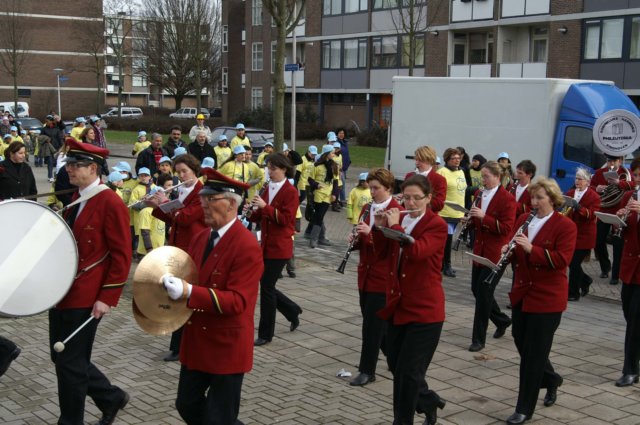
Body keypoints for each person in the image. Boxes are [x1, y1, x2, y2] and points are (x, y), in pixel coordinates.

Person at [161, 168, 263, 425]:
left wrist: (189, 292)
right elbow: (191, 277)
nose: (203, 203)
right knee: (186, 404)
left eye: (210, 198)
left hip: (226, 345)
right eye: (203, 197)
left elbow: (238, 301)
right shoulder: (201, 236)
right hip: (197, 341)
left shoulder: (246, 245)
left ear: (231, 203)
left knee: (219, 417)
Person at [52, 139, 132, 425]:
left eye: (76, 165)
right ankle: (110, 397)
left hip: (87, 296)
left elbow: (122, 256)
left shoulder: (109, 201)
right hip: (62, 292)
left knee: (70, 364)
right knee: (62, 358)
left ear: (93, 168)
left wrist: (107, 298)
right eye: (69, 164)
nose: (70, 169)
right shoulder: (77, 198)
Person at [373, 174, 448, 425]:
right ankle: (427, 401)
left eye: (417, 198)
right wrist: (379, 226)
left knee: (409, 373)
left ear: (428, 198)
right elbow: (382, 253)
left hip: (425, 310)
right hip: (398, 306)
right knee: (397, 367)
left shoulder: (436, 225)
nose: (411, 203)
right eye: (406, 197)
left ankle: (401, 421)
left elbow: (418, 252)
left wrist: (394, 228)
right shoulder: (401, 219)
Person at [505, 177, 576, 425]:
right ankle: (552, 379)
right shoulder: (524, 220)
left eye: (540, 198)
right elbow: (517, 255)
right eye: (532, 198)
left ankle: (524, 408)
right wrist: (509, 250)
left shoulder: (565, 225)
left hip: (547, 299)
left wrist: (529, 249)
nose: (534, 203)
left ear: (553, 199)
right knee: (523, 344)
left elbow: (561, 260)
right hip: (523, 293)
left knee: (533, 356)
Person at [146, 154, 207, 361]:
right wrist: (155, 206)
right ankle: (178, 345)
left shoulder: (201, 192)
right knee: (177, 296)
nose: (181, 176)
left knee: (183, 297)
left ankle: (181, 347)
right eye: (178, 172)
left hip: (192, 248)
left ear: (194, 170)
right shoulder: (182, 190)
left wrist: (165, 201)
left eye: (184, 172)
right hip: (178, 247)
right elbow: (175, 219)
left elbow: (187, 218)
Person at [349, 168, 402, 387]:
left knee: (371, 326)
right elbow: (364, 239)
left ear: (388, 188)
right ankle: (395, 359)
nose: (371, 192)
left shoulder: (395, 210)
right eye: (370, 187)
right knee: (378, 323)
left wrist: (368, 236)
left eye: (376, 188)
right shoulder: (367, 207)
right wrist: (355, 239)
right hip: (365, 272)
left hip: (383, 275)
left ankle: (367, 370)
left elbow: (391, 245)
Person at [248, 153, 302, 346]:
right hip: (264, 244)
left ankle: (265, 333)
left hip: (280, 246)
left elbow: (286, 220)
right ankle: (292, 310)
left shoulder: (290, 191)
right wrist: (253, 210)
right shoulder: (266, 188)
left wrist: (265, 207)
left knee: (267, 287)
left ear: (284, 169)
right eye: (268, 168)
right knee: (267, 286)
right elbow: (257, 218)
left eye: (273, 168)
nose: (269, 172)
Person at [466, 160, 516, 352]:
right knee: (476, 289)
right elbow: (477, 222)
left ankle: (478, 339)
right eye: (482, 176)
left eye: (487, 176)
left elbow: (506, 228)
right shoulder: (479, 194)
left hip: (496, 252)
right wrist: (469, 221)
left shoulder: (507, 199)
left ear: (498, 177)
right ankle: (502, 320)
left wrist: (483, 218)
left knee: (484, 292)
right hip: (480, 249)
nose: (483, 180)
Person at [615, 159, 640, 388]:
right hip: (630, 267)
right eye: (637, 175)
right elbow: (624, 233)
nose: (638, 180)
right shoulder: (629, 196)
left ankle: (631, 370)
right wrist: (619, 221)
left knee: (634, 321)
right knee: (627, 311)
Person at [591, 154, 633, 285]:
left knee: (617, 244)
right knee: (598, 241)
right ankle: (605, 267)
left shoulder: (626, 173)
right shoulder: (599, 172)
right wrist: (596, 188)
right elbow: (590, 187)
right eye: (609, 161)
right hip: (604, 210)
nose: (611, 164)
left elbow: (633, 184)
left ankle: (615, 275)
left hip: (618, 212)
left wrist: (619, 183)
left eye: (614, 161)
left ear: (620, 161)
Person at [565, 167, 600, 301]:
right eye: (576, 178)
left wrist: (579, 208)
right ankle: (585, 280)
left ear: (587, 182)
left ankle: (573, 293)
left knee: (573, 263)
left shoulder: (594, 197)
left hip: (585, 235)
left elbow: (591, 215)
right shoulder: (570, 192)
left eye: (580, 179)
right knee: (571, 262)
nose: (577, 181)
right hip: (571, 233)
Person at [437, 147, 467, 277]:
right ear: (447, 159)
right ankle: (446, 265)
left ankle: (444, 264)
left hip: (458, 213)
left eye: (458, 158)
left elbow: (462, 189)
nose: (456, 160)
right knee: (448, 240)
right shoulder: (442, 172)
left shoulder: (461, 171)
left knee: (450, 239)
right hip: (445, 213)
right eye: (453, 158)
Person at [307, 144, 339, 248]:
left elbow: (336, 182)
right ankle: (319, 238)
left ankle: (315, 238)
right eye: (332, 152)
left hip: (328, 194)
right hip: (318, 193)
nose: (334, 154)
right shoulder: (316, 165)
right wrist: (316, 185)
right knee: (319, 216)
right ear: (326, 154)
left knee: (320, 215)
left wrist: (335, 194)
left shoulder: (334, 166)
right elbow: (310, 179)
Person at [404, 146, 446, 213]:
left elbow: (439, 205)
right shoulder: (409, 176)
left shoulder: (439, 179)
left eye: (420, 160)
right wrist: (403, 198)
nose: (416, 163)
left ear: (429, 160)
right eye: (416, 160)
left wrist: (418, 198)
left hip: (428, 218)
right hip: (409, 215)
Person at [336, 128, 351, 206]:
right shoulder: (336, 143)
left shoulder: (345, 142)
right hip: (338, 167)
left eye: (343, 133)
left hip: (344, 166)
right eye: (340, 133)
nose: (341, 134)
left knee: (341, 183)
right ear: (337, 134)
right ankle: (341, 200)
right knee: (341, 183)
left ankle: (339, 200)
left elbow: (346, 153)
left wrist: (349, 161)